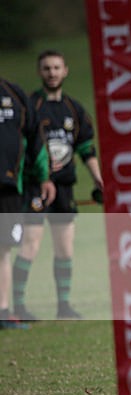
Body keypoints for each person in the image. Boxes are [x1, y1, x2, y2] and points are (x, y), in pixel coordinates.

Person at [13, 50, 103, 320]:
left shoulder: (74, 110)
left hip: (64, 188)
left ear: (65, 71)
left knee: (65, 248)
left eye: (56, 68)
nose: (51, 73)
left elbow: (86, 148)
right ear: (39, 72)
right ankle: (18, 305)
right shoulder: (30, 107)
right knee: (30, 244)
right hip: (36, 187)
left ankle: (63, 305)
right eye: (46, 68)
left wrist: (99, 178)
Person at [0, 77, 54, 329]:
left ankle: (3, 312)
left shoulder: (15, 94)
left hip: (8, 187)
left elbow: (35, 139)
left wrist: (43, 176)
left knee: (3, 250)